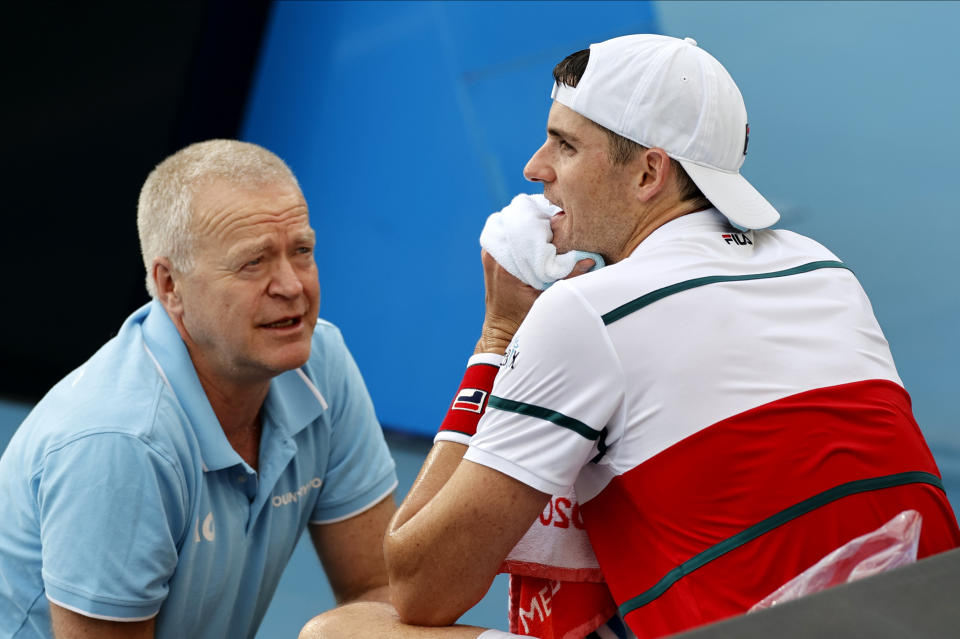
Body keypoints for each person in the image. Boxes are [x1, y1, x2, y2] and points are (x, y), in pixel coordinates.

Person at [301, 34, 960, 639]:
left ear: (649, 173)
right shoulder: (824, 268)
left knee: (341, 633)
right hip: (928, 615)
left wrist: (499, 334)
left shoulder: (588, 313)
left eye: (564, 145)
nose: (534, 168)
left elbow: (420, 584)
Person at [0, 140, 398, 638]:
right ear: (169, 285)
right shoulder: (120, 441)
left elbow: (379, 592)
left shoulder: (321, 361)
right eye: (253, 262)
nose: (292, 286)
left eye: (301, 252)